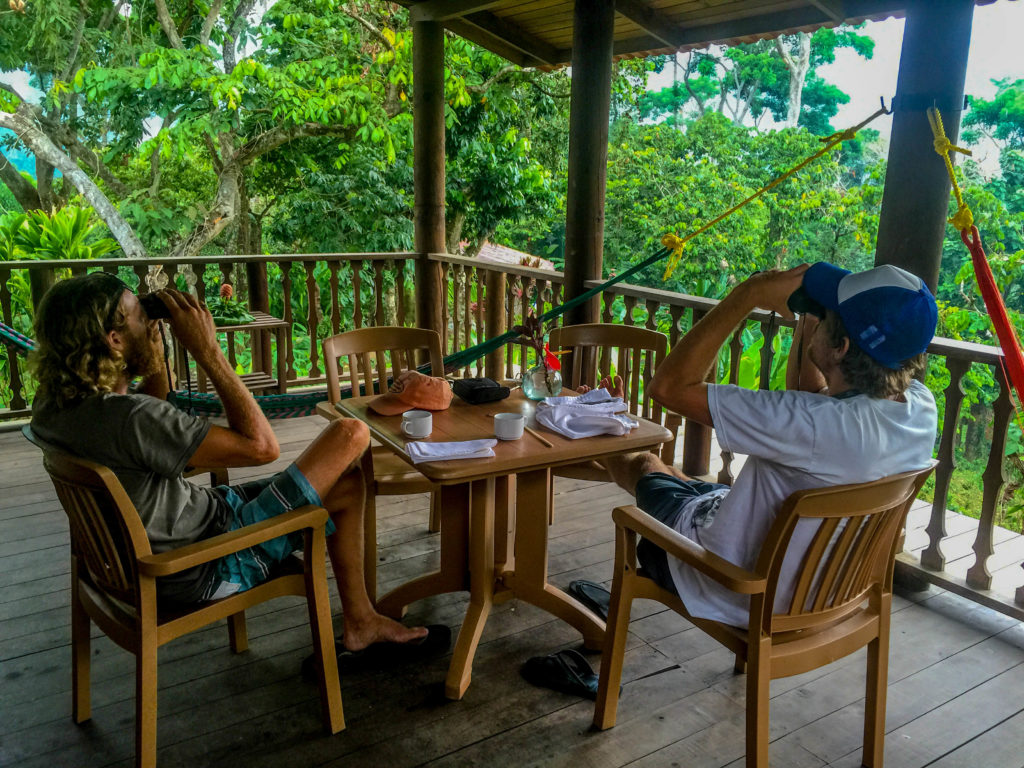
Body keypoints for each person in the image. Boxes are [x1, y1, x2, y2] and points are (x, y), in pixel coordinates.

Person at [30, 271, 437, 655]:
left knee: (346, 487)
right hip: (204, 565)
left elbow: (145, 419)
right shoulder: (132, 420)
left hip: (149, 552)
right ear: (114, 340)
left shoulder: (53, 408)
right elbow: (261, 447)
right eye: (141, 316)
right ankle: (362, 621)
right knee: (350, 433)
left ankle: (361, 621)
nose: (150, 322)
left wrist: (153, 352)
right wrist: (207, 350)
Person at [596, 262, 939, 627]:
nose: (816, 322)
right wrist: (813, 319)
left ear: (841, 348)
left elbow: (669, 388)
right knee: (680, 479)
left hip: (735, 587)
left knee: (645, 464)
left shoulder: (812, 424)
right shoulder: (920, 407)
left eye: (824, 318)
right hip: (826, 593)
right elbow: (814, 397)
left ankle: (605, 422)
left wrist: (750, 293)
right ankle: (616, 429)